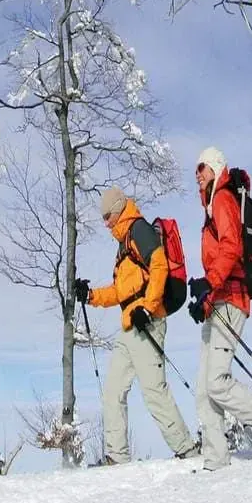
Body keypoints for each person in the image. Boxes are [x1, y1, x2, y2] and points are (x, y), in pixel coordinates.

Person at [74, 185, 200, 465]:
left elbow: (159, 266)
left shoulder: (139, 230)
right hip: (130, 326)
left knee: (154, 392)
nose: (105, 222)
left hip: (147, 323)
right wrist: (91, 295)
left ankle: (187, 451)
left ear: (118, 209)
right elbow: (121, 292)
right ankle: (117, 457)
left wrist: (147, 306)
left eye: (107, 216)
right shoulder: (123, 246)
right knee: (113, 391)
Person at [188, 146, 252, 472]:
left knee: (216, 382)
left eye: (202, 167)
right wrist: (203, 298)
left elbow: (232, 247)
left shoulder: (224, 199)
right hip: (218, 300)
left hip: (232, 299)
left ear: (216, 167)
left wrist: (209, 282)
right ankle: (216, 462)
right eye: (196, 169)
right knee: (203, 391)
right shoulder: (212, 205)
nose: (198, 173)